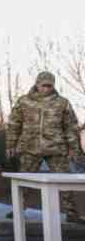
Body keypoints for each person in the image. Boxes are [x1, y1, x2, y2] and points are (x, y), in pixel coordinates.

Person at [5, 71, 83, 224]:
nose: (46, 89)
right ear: (37, 84)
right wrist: (10, 145)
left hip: (56, 148)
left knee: (65, 181)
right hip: (30, 147)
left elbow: (70, 126)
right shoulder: (24, 102)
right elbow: (14, 124)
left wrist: (73, 148)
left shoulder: (62, 103)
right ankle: (18, 210)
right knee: (24, 180)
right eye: (44, 85)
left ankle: (71, 213)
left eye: (50, 86)